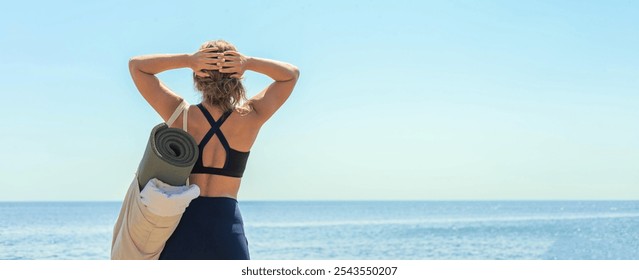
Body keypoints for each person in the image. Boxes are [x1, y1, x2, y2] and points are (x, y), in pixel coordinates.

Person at [128, 39, 300, 259]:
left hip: (183, 226)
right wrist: (248, 63)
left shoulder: (181, 115)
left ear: (198, 76)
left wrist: (188, 60)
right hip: (228, 229)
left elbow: (137, 66)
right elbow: (291, 75)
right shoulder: (250, 117)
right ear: (236, 77)